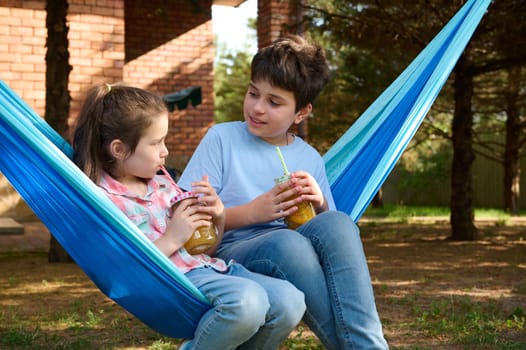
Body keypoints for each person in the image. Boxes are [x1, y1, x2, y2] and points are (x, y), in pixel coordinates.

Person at [178, 35, 389, 349]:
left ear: (301, 113)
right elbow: (185, 217)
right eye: (253, 93)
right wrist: (252, 212)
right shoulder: (222, 139)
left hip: (294, 250)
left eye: (274, 102)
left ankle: (366, 343)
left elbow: (328, 242)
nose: (257, 108)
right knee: (288, 242)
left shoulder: (309, 159)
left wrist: (318, 203)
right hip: (230, 252)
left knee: (340, 222)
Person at [71, 83, 306, 350]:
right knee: (248, 301)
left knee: (290, 301)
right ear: (119, 149)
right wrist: (172, 238)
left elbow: (207, 248)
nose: (165, 151)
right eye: (156, 142)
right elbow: (123, 270)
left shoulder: (162, 184)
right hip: (173, 285)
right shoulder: (105, 201)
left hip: (211, 269)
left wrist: (217, 216)